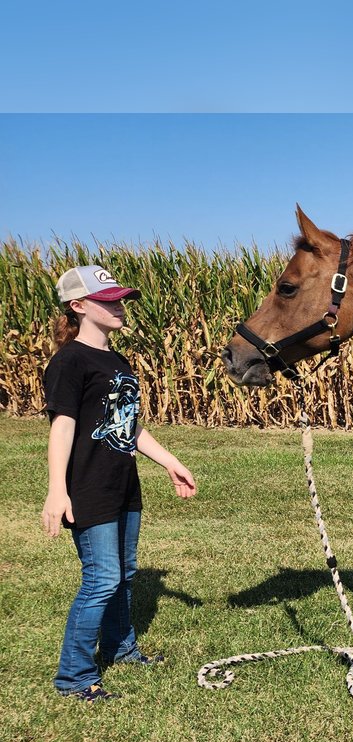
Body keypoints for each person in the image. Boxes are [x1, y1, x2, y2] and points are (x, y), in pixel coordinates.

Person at [41, 264, 197, 702]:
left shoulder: (116, 360)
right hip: (88, 487)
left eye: (120, 298)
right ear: (78, 306)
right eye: (107, 300)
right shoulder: (69, 361)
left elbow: (127, 425)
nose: (119, 306)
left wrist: (170, 462)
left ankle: (121, 648)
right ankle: (73, 676)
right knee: (102, 578)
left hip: (123, 485)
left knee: (124, 574)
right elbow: (63, 426)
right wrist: (57, 488)